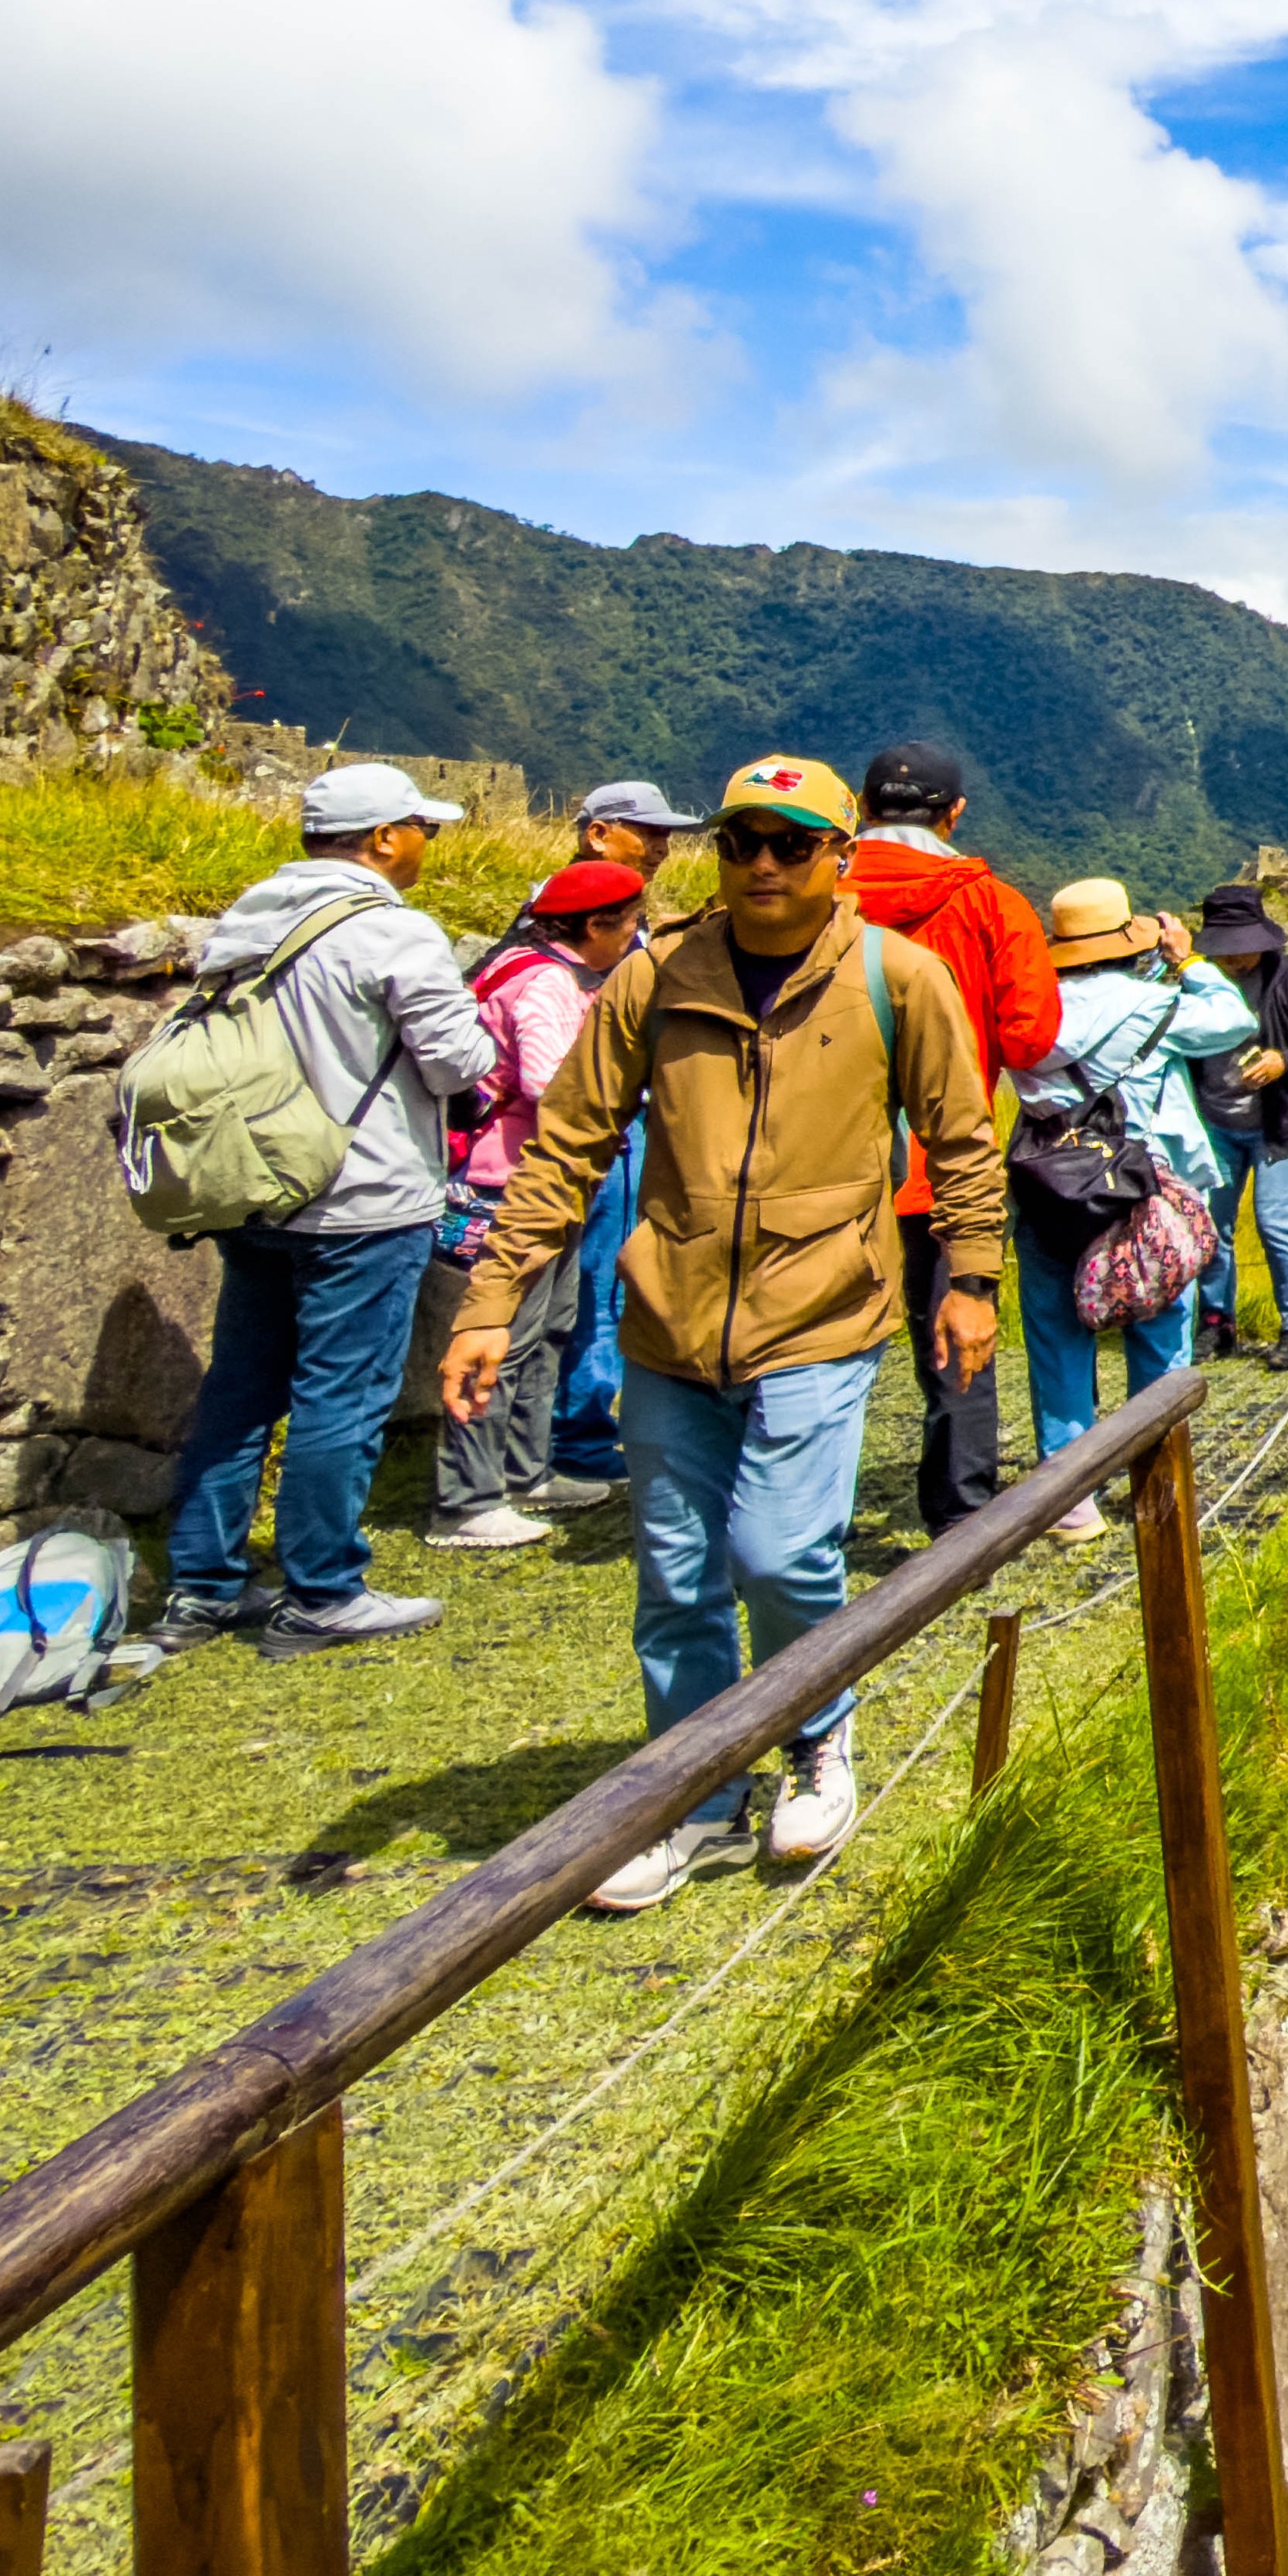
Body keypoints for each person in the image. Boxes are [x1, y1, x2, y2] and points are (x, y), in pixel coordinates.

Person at [443, 756, 1006, 1914]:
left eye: (791, 843)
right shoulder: (654, 979)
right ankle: (692, 1790)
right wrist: (493, 1295)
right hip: (670, 1318)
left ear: (837, 856)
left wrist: (973, 1277)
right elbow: (565, 1145)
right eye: (742, 838)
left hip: (822, 1311)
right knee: (678, 1571)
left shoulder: (897, 979)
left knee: (782, 1552)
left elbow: (960, 1137)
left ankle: (814, 1733)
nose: (761, 862)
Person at [148, 763, 494, 1662]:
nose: (428, 841)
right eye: (422, 827)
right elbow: (459, 1062)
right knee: (342, 1393)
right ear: (382, 838)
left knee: (242, 1386)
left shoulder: (249, 919)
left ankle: (204, 1582)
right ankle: (325, 1586)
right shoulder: (393, 932)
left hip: (254, 1186)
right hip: (364, 1194)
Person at [841, 742, 1056, 1538]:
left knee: (808, 1346)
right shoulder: (993, 905)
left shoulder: (808, 891)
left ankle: (788, 1514)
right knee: (955, 1339)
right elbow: (1032, 1036)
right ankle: (960, 1517)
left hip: (821, 1160)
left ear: (863, 808)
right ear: (954, 812)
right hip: (944, 1164)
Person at [418, 861, 647, 1551]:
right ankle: (467, 1498)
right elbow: (553, 1082)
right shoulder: (546, 981)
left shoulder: (518, 966)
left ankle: (526, 1469)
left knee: (550, 1325)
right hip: (513, 1179)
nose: (634, 935)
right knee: (506, 1335)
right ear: (594, 926)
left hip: (538, 1175)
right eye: (629, 922)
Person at [1015, 881, 1250, 1505]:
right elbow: (1234, 1022)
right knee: (1158, 1331)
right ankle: (1156, 1480)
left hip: (1050, 1186)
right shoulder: (1152, 1005)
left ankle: (1066, 1500)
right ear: (1128, 943)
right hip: (1142, 1189)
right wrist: (1189, 961)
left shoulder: (1028, 1012)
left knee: (1056, 1334)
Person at [545, 785, 684, 1491]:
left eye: (665, 834)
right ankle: (580, 1439)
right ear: (598, 833)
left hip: (629, 1127)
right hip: (600, 1127)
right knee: (596, 1286)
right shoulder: (571, 918)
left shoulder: (618, 921)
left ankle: (586, 1430)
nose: (660, 846)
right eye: (645, 832)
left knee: (611, 1284)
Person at [1189, 884, 1288, 1370]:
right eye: (1225, 951)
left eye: (1242, 948)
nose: (1235, 960)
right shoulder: (1198, 981)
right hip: (1218, 1122)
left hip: (1279, 1126)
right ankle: (1217, 1323)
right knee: (1214, 1227)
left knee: (1275, 1224)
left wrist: (1283, 1060)